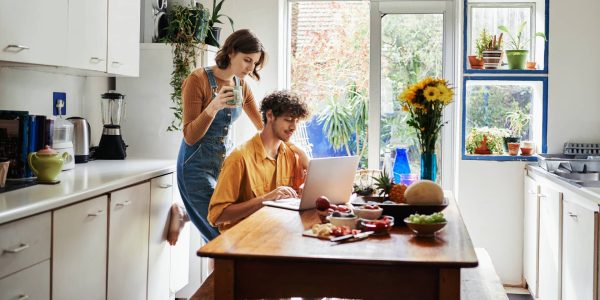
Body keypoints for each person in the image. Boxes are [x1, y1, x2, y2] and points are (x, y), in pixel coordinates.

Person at [174, 29, 266, 243]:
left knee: (225, 235)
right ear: (231, 52)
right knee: (223, 240)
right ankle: (184, 211)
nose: (250, 68)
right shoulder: (197, 80)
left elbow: (262, 125)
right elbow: (189, 136)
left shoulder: (241, 84)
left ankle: (183, 212)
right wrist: (213, 106)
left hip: (224, 169)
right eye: (247, 60)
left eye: (254, 63)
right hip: (194, 168)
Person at [207, 90, 310, 231]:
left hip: (278, 232)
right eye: (289, 119)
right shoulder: (239, 158)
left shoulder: (292, 155)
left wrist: (306, 160)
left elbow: (302, 198)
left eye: (297, 121)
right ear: (270, 115)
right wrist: (265, 199)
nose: (294, 127)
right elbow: (217, 216)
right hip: (244, 240)